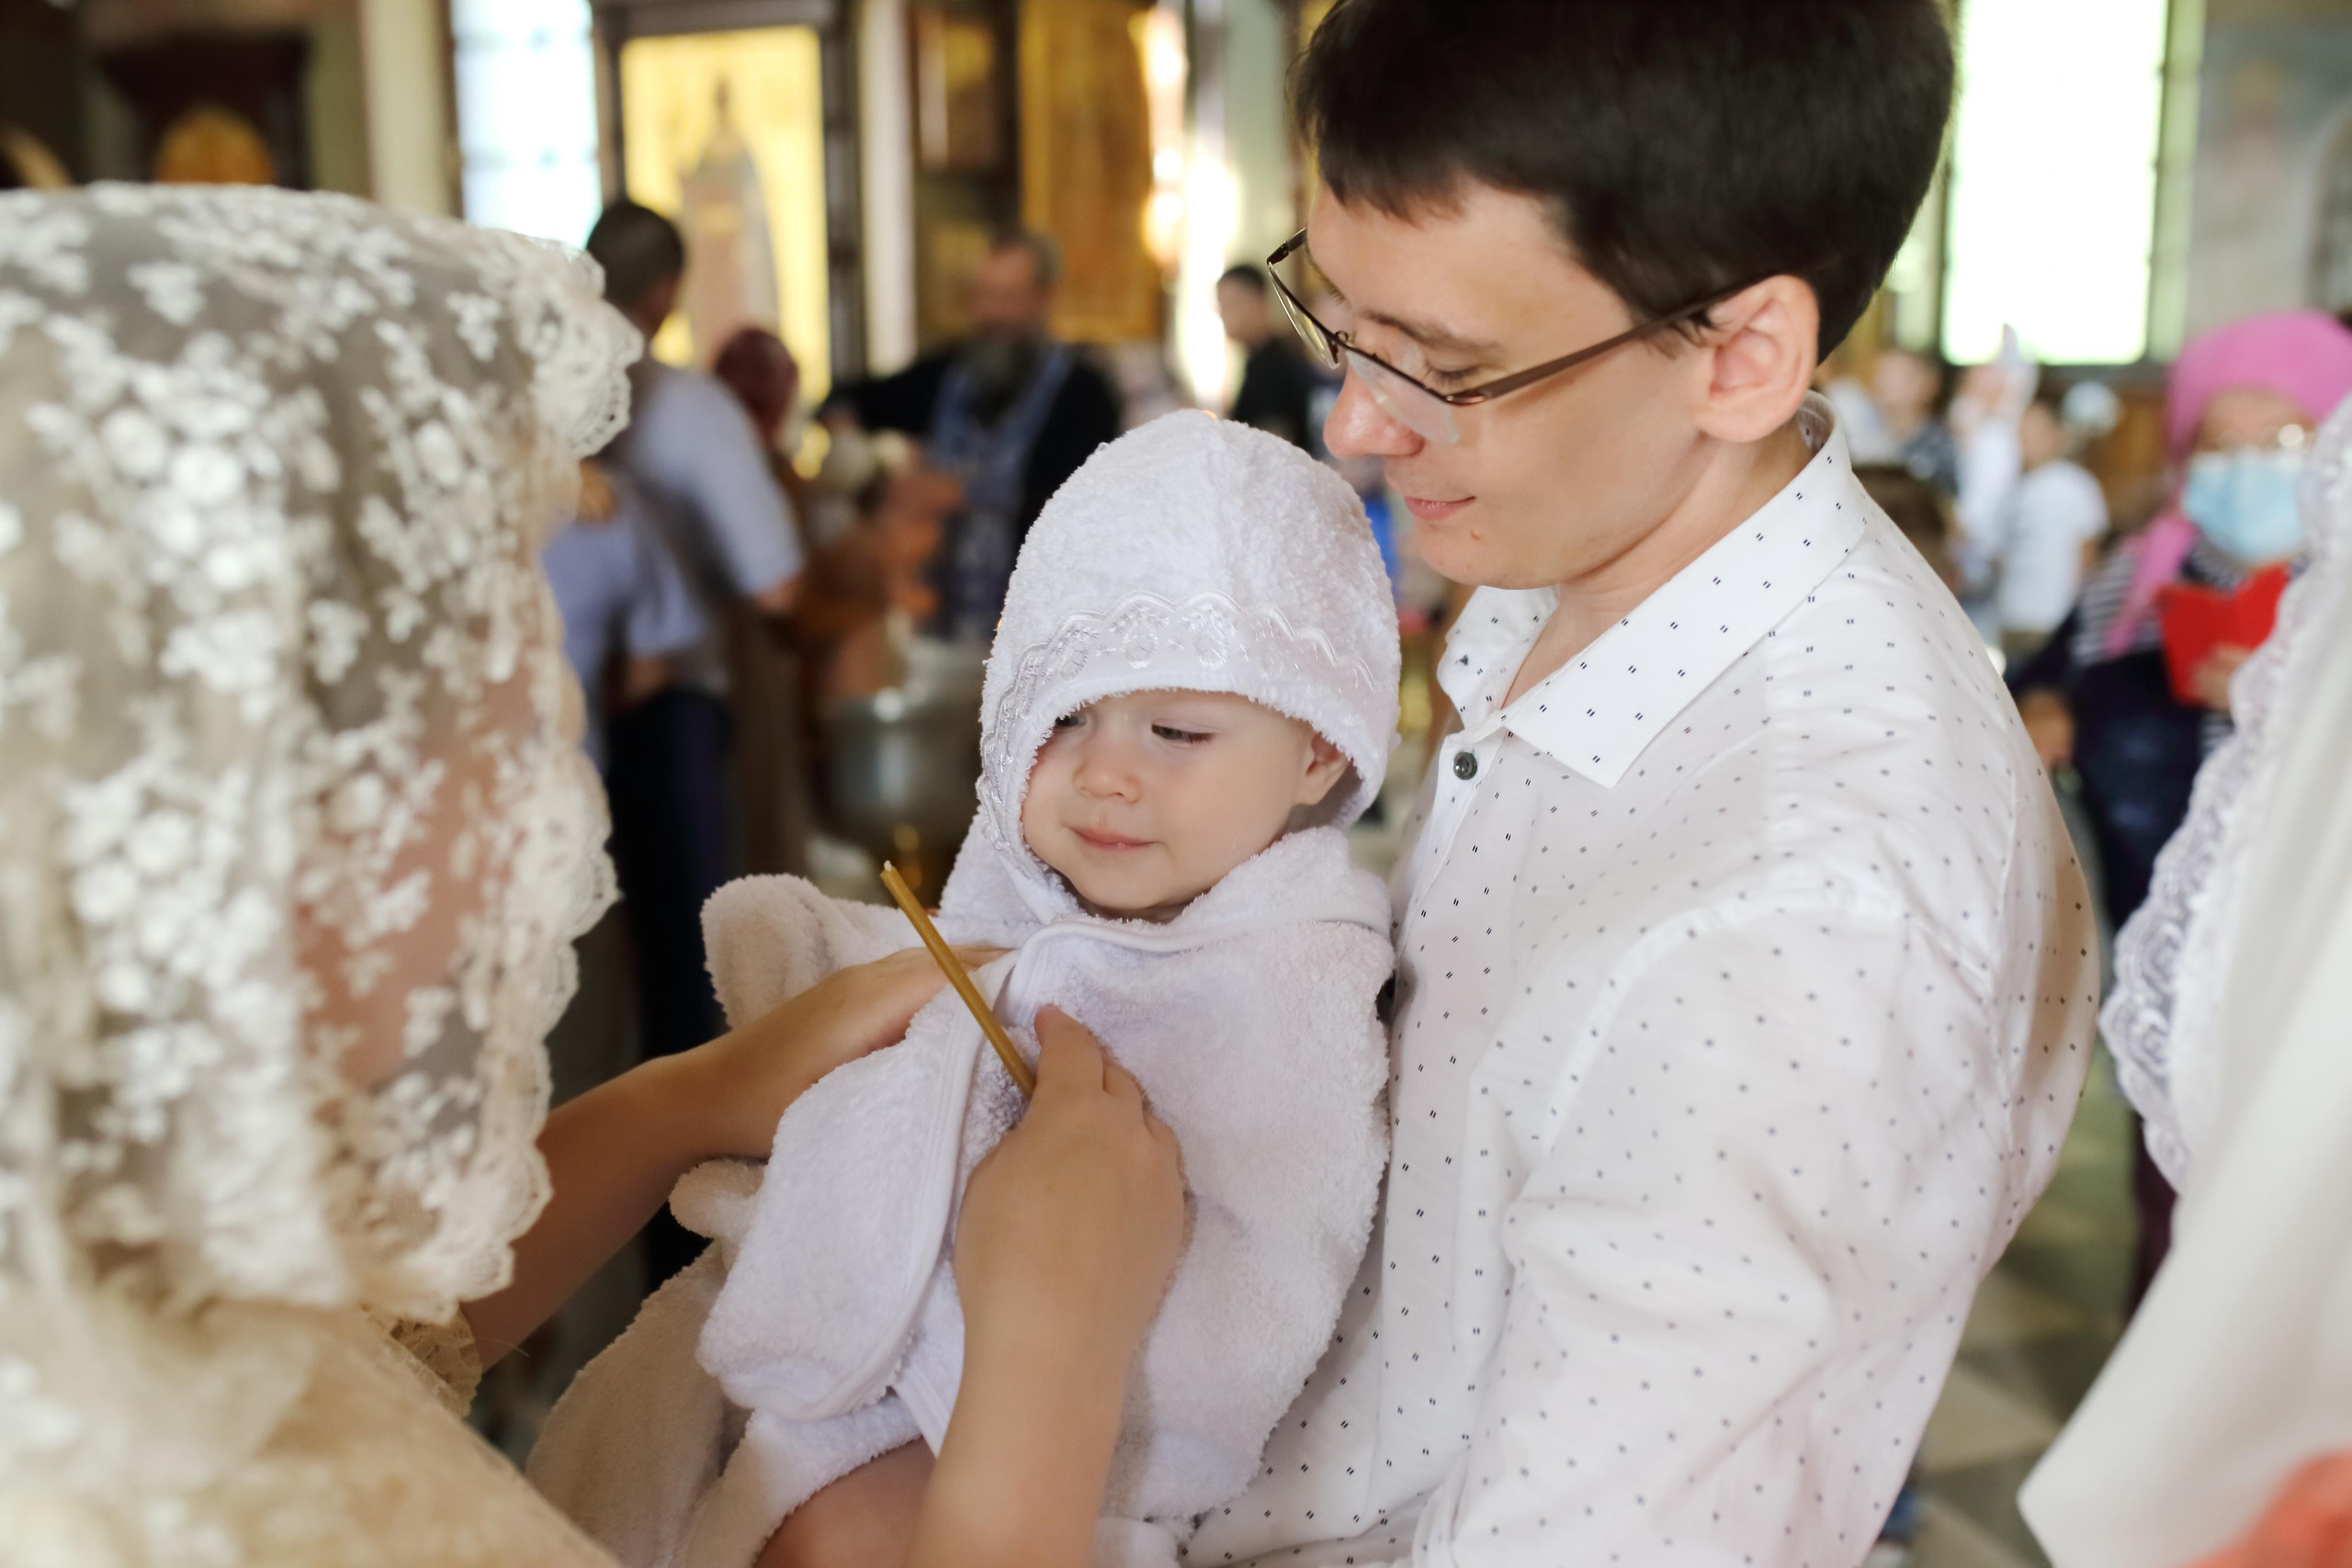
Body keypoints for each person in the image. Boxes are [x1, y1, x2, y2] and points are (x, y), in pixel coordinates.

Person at [0, 184, 1188, 1568]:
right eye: (481, 692)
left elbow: (365, 1349)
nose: (539, 784)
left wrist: (701, 1097)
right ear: (246, 800)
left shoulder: (111, 1271)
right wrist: (1042, 1380)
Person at [1170, 3, 2099, 1562]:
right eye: (1343, 317)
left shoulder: (1809, 914)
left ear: (1740, 354)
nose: (1355, 418)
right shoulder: (1588, 543)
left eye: (1445, 367)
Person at [530, 413, 1400, 1568]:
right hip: (832, 1439)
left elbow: (1265, 1268)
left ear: (1320, 750)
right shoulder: (989, 930)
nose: (1104, 771)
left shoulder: (1295, 983)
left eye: (1178, 729)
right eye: (1063, 715)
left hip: (1067, 1476)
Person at [2018, 400, 2352, 1568]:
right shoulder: (2141, 573)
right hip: (2196, 912)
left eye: (2278, 447)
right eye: (2223, 443)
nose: (2246, 474)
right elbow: (2056, 683)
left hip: (2308, 949)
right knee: (2191, 1194)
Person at [584, 201, 808, 1282]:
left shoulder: (516, 402)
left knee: (582, 988)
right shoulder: (688, 411)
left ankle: (574, 1240)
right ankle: (684, 1253)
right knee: (689, 986)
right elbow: (777, 582)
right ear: (665, 293)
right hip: (665, 726)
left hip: (551, 733)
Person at [820, 230, 1123, 642]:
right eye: (983, 296)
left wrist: (961, 494)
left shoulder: (1085, 391)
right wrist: (860, 461)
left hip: (1044, 630)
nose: (992, 314)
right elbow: (845, 400)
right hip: (942, 623)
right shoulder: (946, 374)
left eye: (1008, 297)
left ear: (1043, 299)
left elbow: (1081, 500)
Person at [542, 461, 709, 772]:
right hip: (568, 771)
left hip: (568, 776)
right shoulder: (611, 511)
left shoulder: (606, 508)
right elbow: (650, 676)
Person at [1991, 380, 2112, 661]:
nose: (2026, 441)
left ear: (2057, 434)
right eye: (2022, 432)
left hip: (2053, 620)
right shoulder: (2013, 490)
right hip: (2013, 619)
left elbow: (2089, 555)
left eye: (2036, 432)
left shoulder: (2076, 485)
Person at [1217, 263, 1325, 449]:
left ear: (1258, 302)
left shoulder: (1273, 366)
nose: (1223, 314)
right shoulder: (1259, 360)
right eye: (1221, 305)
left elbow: (1272, 445)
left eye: (1231, 304)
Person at [1871, 344, 1962, 496]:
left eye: (1899, 377)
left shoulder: (1942, 446)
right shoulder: (1862, 436)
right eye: (1882, 374)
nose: (1886, 383)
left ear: (1928, 384)